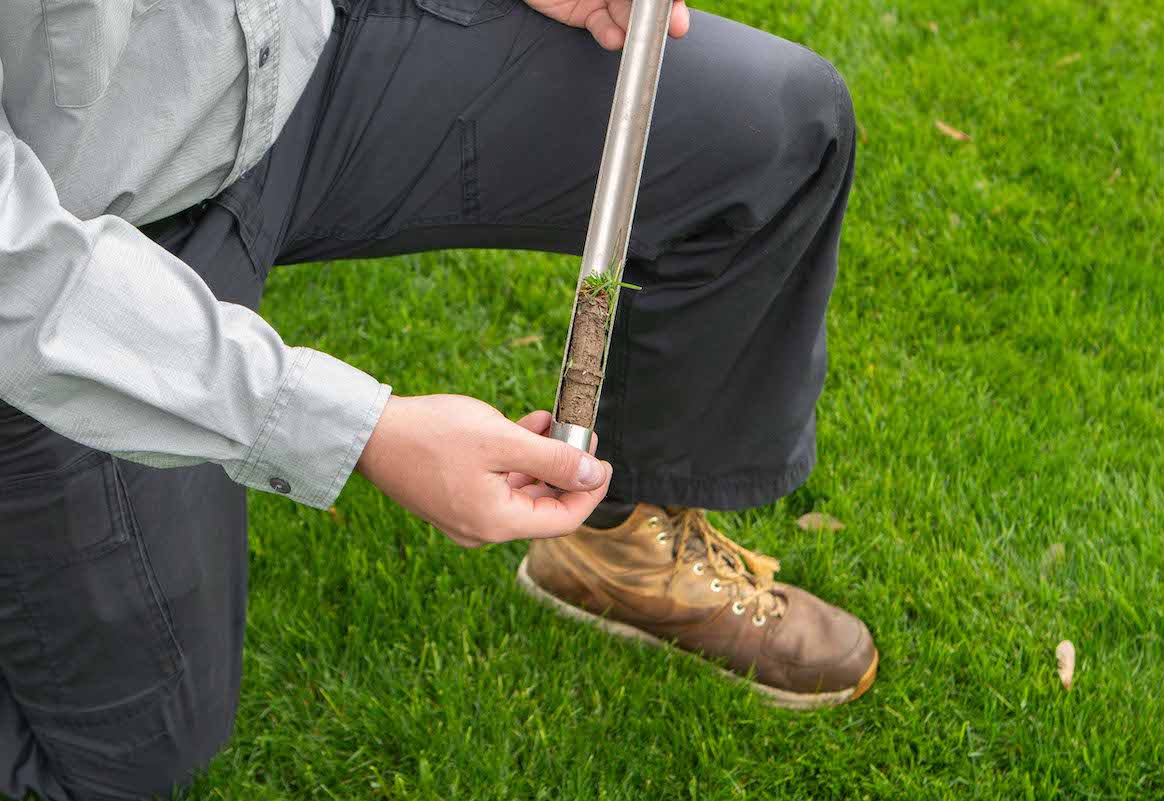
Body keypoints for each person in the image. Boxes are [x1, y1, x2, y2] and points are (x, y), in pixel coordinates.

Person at [0, 0, 875, 797]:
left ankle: (618, 548)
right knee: (134, 752)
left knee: (775, 127)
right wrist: (363, 429)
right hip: (78, 251)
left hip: (303, 61)